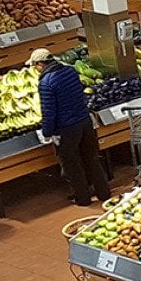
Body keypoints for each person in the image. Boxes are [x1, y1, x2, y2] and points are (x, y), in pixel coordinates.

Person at [30, 48, 109, 206]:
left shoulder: (46, 83)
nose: (35, 70)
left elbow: (49, 112)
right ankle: (104, 193)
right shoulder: (70, 71)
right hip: (85, 121)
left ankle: (83, 198)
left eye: (35, 66)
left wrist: (47, 132)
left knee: (72, 165)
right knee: (91, 159)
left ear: (41, 64)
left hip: (67, 128)